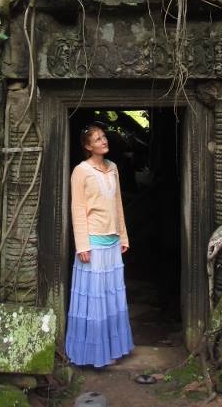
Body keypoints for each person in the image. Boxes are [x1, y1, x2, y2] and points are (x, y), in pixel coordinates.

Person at [65, 124, 134, 367]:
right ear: (87, 146)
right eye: (97, 139)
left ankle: (112, 349)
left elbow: (118, 204)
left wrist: (123, 236)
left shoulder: (113, 168)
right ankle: (94, 354)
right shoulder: (81, 171)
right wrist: (82, 245)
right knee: (94, 300)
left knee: (110, 297)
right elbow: (77, 208)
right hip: (93, 242)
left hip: (113, 242)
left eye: (103, 137)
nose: (103, 141)